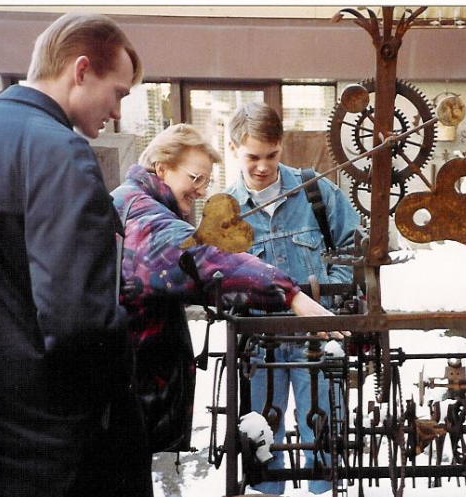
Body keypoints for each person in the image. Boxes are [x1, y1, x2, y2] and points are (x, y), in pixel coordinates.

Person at [0, 12, 147, 497]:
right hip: (50, 446)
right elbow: (77, 319)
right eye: (119, 93)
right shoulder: (60, 152)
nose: (118, 112)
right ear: (80, 70)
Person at [110, 124, 335, 469]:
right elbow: (206, 259)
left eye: (205, 182)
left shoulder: (132, 203)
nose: (200, 191)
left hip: (123, 391)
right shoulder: (143, 217)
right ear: (161, 168)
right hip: (125, 394)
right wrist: (290, 294)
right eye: (195, 178)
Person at [224, 102, 360, 495]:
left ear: (281, 146)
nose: (263, 166)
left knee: (324, 435)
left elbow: (353, 249)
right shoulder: (227, 211)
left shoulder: (315, 191)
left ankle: (323, 491)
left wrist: (326, 305)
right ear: (233, 148)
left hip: (316, 339)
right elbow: (217, 277)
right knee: (261, 438)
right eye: (252, 157)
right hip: (258, 344)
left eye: (272, 155)